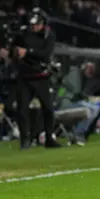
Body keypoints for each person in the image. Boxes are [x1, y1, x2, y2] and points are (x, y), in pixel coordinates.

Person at [13, 9, 61, 149]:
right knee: (22, 109)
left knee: (48, 108)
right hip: (25, 77)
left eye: (37, 24)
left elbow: (45, 55)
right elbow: (16, 51)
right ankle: (25, 140)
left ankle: (49, 138)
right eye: (32, 24)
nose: (34, 27)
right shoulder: (22, 35)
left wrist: (28, 52)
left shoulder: (49, 36)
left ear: (43, 24)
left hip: (42, 77)